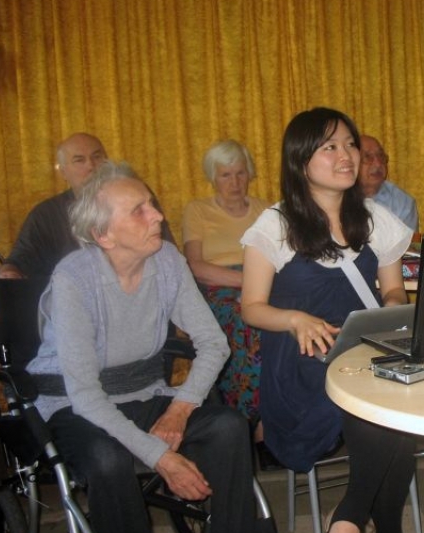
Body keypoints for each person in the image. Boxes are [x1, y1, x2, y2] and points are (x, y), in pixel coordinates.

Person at [25, 161, 257, 533]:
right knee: (108, 458)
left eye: (151, 203)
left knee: (229, 426)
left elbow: (214, 343)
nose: (158, 216)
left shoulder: (167, 260)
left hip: (145, 393)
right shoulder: (74, 279)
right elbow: (84, 395)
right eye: (140, 210)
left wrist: (180, 410)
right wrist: (161, 457)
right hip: (73, 406)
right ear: (103, 235)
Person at [240, 107, 416, 533]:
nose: (347, 155)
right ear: (301, 161)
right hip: (304, 364)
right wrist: (296, 319)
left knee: (402, 400)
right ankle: (355, 517)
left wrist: (390, 311)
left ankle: (356, 519)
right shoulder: (276, 224)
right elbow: (251, 307)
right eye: (330, 146)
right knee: (383, 411)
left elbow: (393, 290)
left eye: (350, 144)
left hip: (367, 351)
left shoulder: (375, 218)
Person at [181, 139, 277, 469]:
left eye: (239, 173)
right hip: (218, 287)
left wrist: (260, 283)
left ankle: (273, 423)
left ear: (249, 173)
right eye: (225, 175)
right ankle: (250, 428)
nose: (234, 182)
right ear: (213, 177)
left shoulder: (267, 209)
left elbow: (282, 258)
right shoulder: (197, 210)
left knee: (287, 326)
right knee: (247, 322)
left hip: (264, 281)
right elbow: (195, 265)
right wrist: (248, 282)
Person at [0, 132, 173, 279]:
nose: (91, 166)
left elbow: (164, 248)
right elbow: (19, 261)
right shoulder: (45, 215)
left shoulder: (136, 198)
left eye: (97, 157)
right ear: (63, 171)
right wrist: (9, 272)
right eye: (79, 160)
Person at [358, 135, 419, 231]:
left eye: (381, 156)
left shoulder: (404, 202)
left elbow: (415, 244)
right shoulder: (336, 198)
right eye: (368, 157)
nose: (378, 164)